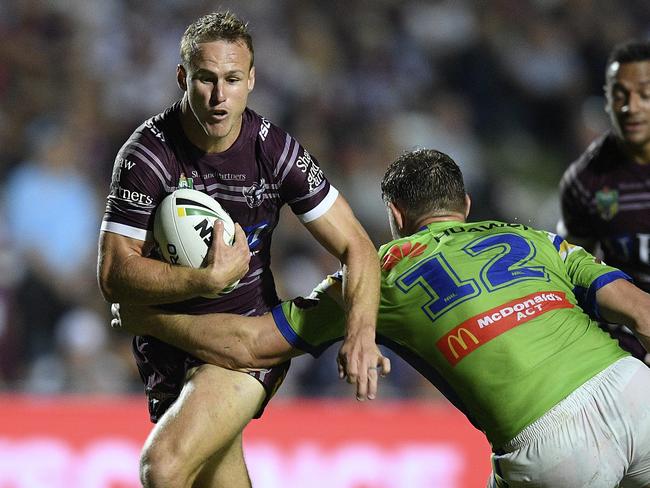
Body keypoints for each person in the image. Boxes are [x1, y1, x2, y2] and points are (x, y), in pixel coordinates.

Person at [114, 148, 650, 487]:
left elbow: (250, 346)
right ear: (463, 203)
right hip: (634, 390)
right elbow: (642, 314)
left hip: (551, 443)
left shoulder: (382, 272)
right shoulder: (534, 238)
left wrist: (148, 317)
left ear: (395, 216)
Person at [97, 11, 384, 488]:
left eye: (232, 79)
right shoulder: (147, 153)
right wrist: (204, 279)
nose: (218, 96)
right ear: (182, 77)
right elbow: (113, 274)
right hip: (168, 350)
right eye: (206, 79)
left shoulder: (274, 151)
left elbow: (357, 245)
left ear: (251, 80)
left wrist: (361, 331)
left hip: (242, 345)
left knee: (164, 466)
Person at [558, 39, 650, 365]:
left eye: (643, 93)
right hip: (629, 348)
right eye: (620, 94)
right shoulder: (585, 181)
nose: (631, 106)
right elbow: (572, 267)